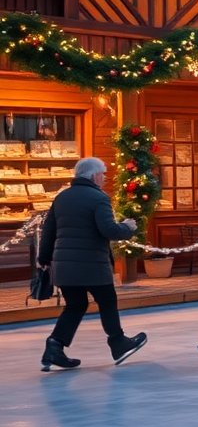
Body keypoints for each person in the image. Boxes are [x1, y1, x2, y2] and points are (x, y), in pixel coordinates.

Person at [37, 157, 145, 372]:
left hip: (65, 266)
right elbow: (109, 230)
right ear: (94, 175)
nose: (104, 178)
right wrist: (128, 227)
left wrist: (44, 260)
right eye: (103, 174)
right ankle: (118, 343)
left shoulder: (62, 197)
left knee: (76, 305)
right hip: (92, 264)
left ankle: (55, 346)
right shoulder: (98, 198)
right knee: (107, 301)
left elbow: (48, 232)